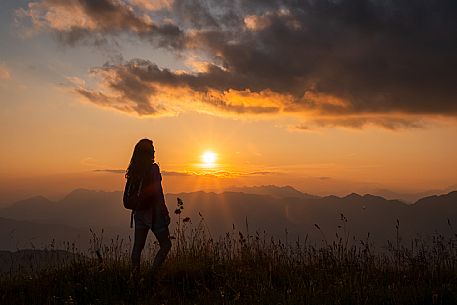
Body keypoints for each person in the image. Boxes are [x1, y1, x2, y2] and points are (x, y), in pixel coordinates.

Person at [126, 138, 171, 275]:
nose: (155, 152)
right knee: (166, 245)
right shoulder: (153, 169)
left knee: (137, 248)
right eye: (153, 150)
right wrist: (165, 211)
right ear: (149, 153)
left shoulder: (133, 170)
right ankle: (152, 275)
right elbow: (158, 192)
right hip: (154, 213)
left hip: (139, 213)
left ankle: (135, 279)